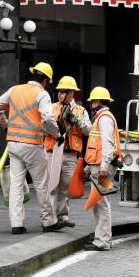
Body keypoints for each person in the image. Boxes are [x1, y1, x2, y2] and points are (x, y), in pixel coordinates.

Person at [0, 62, 64, 234]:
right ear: (45, 79)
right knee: (42, 184)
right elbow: (47, 118)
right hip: (33, 145)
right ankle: (48, 221)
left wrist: (6, 125)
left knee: (16, 185)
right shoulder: (42, 94)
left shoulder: (14, 90)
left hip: (13, 145)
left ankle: (17, 224)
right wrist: (57, 135)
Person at [44, 76, 91, 228]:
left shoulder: (80, 110)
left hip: (70, 154)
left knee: (65, 187)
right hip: (53, 151)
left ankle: (63, 217)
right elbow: (44, 125)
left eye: (63, 92)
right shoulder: (51, 108)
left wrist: (77, 120)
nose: (59, 94)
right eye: (59, 92)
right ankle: (50, 219)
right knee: (51, 186)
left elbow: (88, 130)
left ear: (72, 94)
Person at [83, 86, 121, 251]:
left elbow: (107, 143)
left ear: (97, 101)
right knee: (100, 204)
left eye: (92, 102)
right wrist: (88, 165)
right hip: (97, 166)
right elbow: (95, 144)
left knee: (101, 204)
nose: (91, 104)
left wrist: (104, 166)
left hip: (101, 167)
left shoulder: (104, 118)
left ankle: (102, 241)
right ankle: (104, 238)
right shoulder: (101, 118)